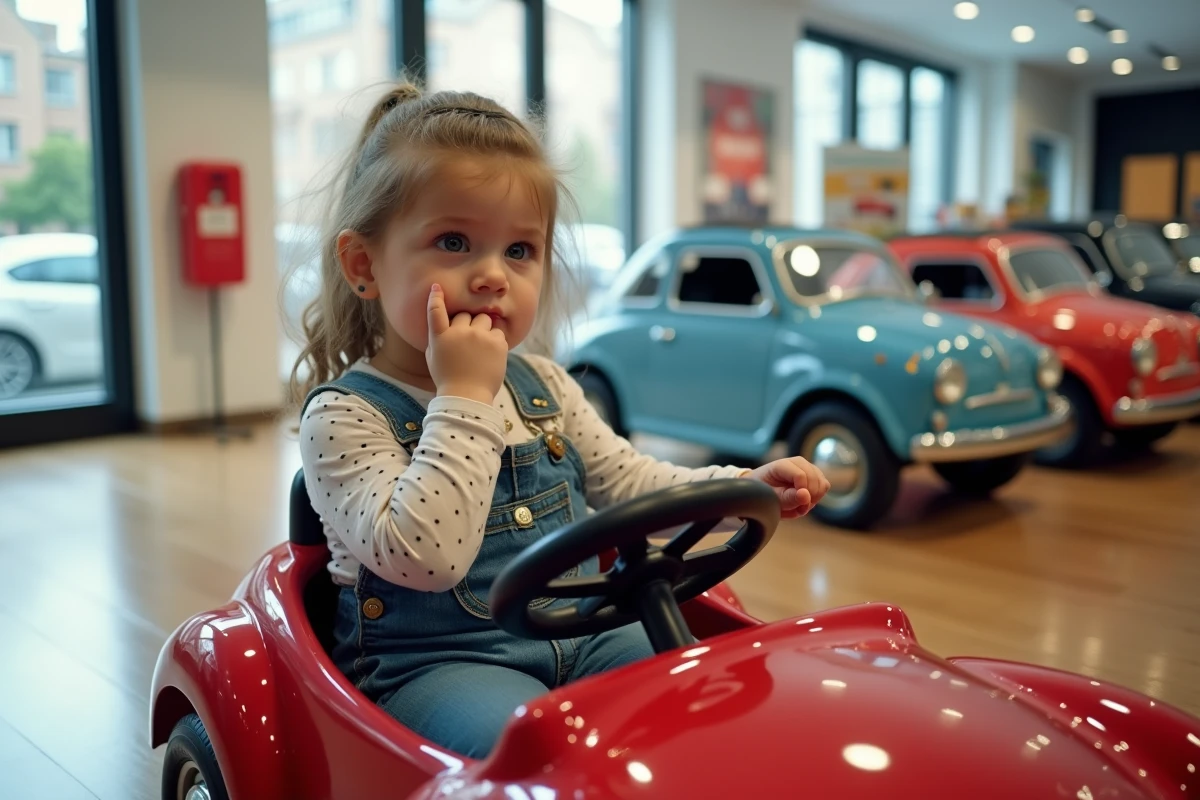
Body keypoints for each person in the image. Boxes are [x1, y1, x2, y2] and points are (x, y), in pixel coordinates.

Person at [288, 81, 831, 759]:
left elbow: (631, 484)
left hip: (587, 628)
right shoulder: (343, 416)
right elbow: (428, 559)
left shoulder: (544, 385)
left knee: (708, 705)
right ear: (363, 264)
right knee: (541, 756)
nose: (493, 275)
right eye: (453, 241)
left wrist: (741, 485)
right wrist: (465, 395)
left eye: (520, 250)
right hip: (435, 666)